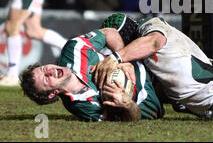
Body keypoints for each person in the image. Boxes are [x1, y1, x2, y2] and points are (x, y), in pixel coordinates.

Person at [19, 24, 164, 122]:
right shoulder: (82, 106)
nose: (50, 71)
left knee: (119, 21)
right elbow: (130, 119)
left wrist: (122, 60)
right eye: (46, 79)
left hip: (149, 62)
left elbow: (109, 33)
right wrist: (128, 106)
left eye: (44, 69)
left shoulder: (73, 50)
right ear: (53, 93)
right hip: (152, 100)